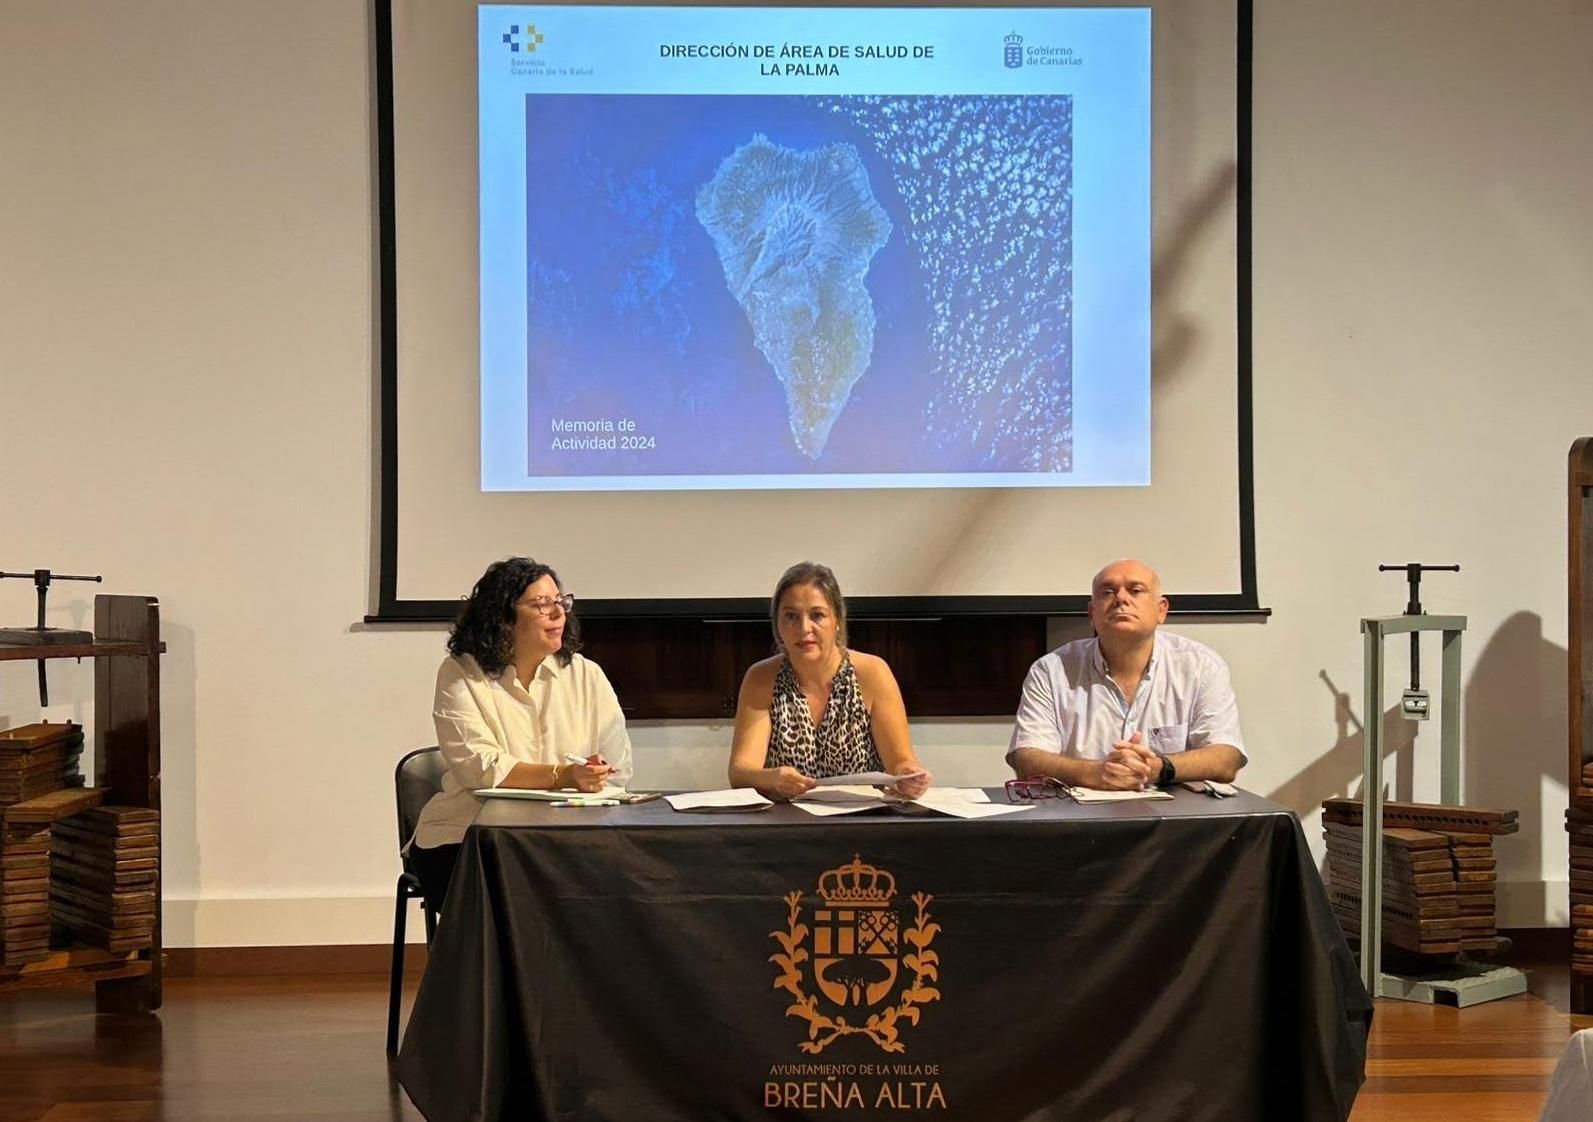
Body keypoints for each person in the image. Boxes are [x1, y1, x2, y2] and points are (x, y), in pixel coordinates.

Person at [408, 557, 632, 909]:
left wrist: (597, 775)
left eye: (561, 601)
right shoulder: (461, 673)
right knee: (528, 892)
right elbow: (479, 768)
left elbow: (618, 769)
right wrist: (564, 776)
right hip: (468, 836)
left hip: (564, 839)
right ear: (503, 616)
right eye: (542, 604)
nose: (558, 613)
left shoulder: (587, 675)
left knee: (626, 880)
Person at [1007, 558, 1246, 791]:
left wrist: (1157, 768)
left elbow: (1226, 759)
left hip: (1179, 814)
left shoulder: (1201, 666)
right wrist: (1096, 773)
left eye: (1135, 590)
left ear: (1161, 610)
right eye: (1107, 592)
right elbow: (1027, 760)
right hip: (1079, 814)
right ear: (1092, 613)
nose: (1121, 598)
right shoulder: (1051, 670)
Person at [728, 562, 931, 800]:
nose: (804, 628)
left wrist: (908, 775)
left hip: (860, 816)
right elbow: (740, 773)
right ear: (778, 624)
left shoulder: (873, 672)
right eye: (791, 616)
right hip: (785, 818)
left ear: (837, 621)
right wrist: (771, 778)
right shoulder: (760, 678)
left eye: (817, 615)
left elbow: (900, 761)